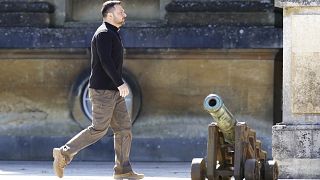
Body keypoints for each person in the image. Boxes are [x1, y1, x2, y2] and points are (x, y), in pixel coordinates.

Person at [52, 1, 144, 179]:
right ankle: (64, 153)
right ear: (110, 15)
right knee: (99, 128)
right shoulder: (103, 34)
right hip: (103, 91)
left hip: (113, 92)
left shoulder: (113, 33)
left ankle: (123, 169)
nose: (124, 14)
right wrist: (120, 83)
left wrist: (117, 86)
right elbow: (105, 61)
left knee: (124, 128)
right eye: (120, 12)